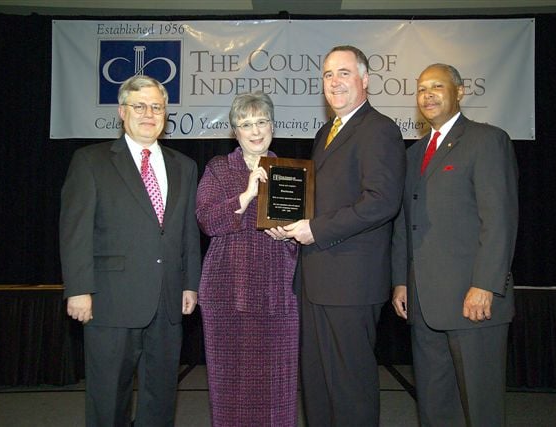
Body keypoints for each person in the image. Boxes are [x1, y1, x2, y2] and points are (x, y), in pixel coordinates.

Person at [60, 75, 201, 426]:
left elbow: (186, 232)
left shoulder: (184, 166)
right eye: (139, 106)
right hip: (110, 300)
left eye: (156, 106)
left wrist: (189, 283)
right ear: (122, 112)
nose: (148, 113)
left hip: (167, 300)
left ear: (165, 113)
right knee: (108, 397)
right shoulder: (90, 160)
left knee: (161, 395)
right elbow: (74, 230)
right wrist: (78, 289)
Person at [280, 45, 406, 426]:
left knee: (350, 389)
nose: (334, 82)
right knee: (317, 386)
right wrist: (286, 221)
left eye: (344, 73)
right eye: (328, 75)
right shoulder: (327, 132)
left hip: (350, 284)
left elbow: (381, 201)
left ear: (365, 80)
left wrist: (314, 229)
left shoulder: (379, 129)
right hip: (316, 280)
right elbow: (322, 200)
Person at [391, 63, 518, 426]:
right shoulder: (413, 154)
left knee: (481, 408)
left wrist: (485, 285)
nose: (427, 95)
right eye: (421, 89)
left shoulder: (486, 140)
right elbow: (405, 222)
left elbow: (500, 220)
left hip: (473, 302)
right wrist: (401, 280)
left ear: (459, 92)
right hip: (423, 304)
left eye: (437, 87)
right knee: (434, 405)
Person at [195, 92, 299, 426]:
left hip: (279, 294)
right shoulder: (219, 169)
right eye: (245, 124)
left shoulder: (291, 172)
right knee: (230, 388)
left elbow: (307, 234)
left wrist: (293, 234)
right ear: (234, 131)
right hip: (228, 293)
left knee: (277, 389)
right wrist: (246, 195)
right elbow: (207, 221)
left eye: (261, 122)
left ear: (272, 125)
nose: (254, 131)